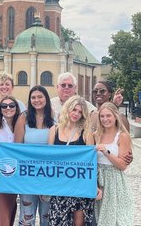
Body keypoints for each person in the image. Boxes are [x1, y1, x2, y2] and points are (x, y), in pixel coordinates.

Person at [47, 96, 100, 226]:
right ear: (67, 109)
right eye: (74, 110)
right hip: (59, 186)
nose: (76, 114)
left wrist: (95, 185)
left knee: (79, 223)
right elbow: (48, 159)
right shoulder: (54, 130)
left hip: (80, 185)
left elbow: (91, 162)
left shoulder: (86, 132)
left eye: (80, 111)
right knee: (58, 222)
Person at [14, 85, 54, 226]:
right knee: (27, 216)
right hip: (28, 175)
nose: (36, 100)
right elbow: (16, 147)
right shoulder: (23, 118)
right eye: (33, 97)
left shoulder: (54, 117)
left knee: (47, 217)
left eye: (39, 97)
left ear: (46, 99)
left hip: (48, 175)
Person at [93, 102, 133, 225]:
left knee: (117, 220)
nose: (105, 119)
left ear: (115, 116)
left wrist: (106, 152)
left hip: (115, 182)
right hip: (99, 181)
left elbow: (122, 165)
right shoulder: (96, 135)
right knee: (99, 218)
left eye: (108, 116)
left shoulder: (122, 136)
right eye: (102, 116)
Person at [0, 96, 21, 226]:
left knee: (9, 210)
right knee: (2, 213)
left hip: (14, 176)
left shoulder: (21, 123)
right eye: (4, 106)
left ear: (16, 107)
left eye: (11, 105)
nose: (8, 108)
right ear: (0, 109)